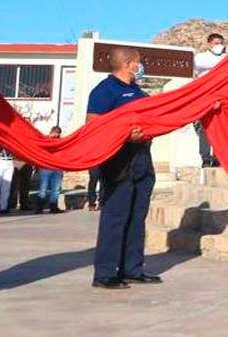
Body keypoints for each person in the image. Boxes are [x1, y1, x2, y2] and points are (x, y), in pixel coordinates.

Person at [88, 47, 159, 290]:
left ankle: (132, 269)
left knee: (137, 216)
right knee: (116, 216)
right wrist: (125, 135)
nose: (140, 67)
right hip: (119, 160)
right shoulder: (104, 91)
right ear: (128, 64)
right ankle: (106, 273)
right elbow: (93, 124)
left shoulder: (137, 91)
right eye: (138, 63)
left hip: (142, 158)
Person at [192, 33, 227, 167]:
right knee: (204, 128)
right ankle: (206, 158)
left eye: (220, 43)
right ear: (209, 43)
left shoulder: (226, 57)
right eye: (215, 43)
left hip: (222, 95)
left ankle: (219, 157)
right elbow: (202, 65)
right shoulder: (200, 57)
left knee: (221, 128)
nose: (218, 46)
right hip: (205, 95)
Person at [35, 126, 66, 213]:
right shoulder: (45, 140)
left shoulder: (61, 141)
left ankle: (53, 207)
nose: (56, 135)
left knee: (56, 189)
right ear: (51, 132)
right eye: (55, 132)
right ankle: (39, 208)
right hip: (45, 167)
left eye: (58, 133)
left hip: (57, 168)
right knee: (43, 188)